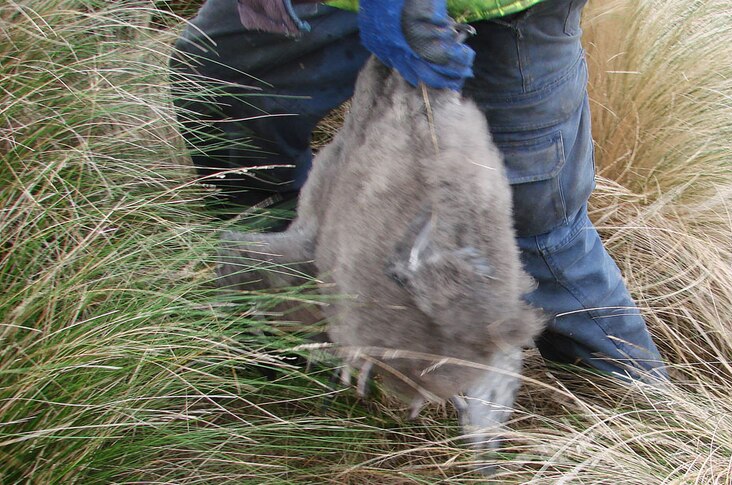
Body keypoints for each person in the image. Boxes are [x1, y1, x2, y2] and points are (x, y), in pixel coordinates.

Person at [171, 0, 668, 382]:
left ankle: (644, 430)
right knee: (220, 97)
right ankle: (290, 341)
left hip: (498, 9)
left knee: (530, 222)